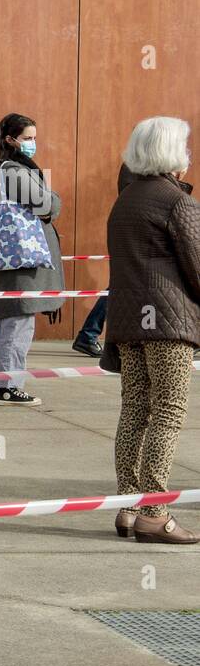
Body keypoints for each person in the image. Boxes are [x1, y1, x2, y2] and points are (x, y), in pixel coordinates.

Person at [104, 116, 200, 544]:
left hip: (129, 319)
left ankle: (127, 505)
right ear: (173, 152)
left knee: (135, 409)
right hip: (169, 321)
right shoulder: (175, 201)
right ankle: (155, 512)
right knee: (168, 411)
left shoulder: (125, 200)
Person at [0, 113, 65, 405]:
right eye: (27, 138)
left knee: (12, 320)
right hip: (22, 257)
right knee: (19, 321)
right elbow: (46, 204)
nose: (33, 144)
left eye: (34, 137)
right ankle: (7, 386)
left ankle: (1, 384)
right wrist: (54, 197)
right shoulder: (14, 171)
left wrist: (48, 198)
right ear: (10, 140)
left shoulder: (5, 169)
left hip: (14, 256)